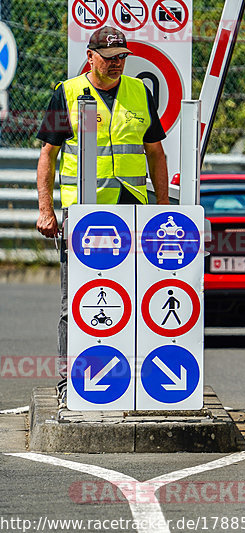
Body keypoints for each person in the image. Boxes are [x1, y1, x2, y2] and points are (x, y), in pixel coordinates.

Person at [35, 26, 170, 407]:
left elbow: (155, 153)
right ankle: (68, 384)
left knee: (133, 295)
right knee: (75, 299)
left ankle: (131, 382)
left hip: (131, 208)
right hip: (84, 214)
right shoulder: (68, 92)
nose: (117, 65)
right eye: (110, 59)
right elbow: (49, 154)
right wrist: (46, 210)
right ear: (90, 57)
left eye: (122, 58)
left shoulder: (139, 92)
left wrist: (161, 210)